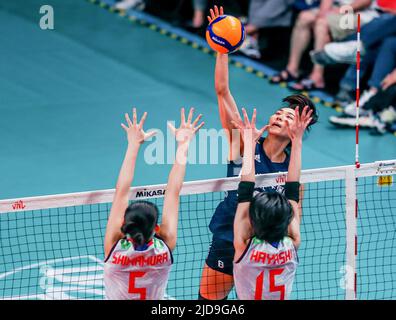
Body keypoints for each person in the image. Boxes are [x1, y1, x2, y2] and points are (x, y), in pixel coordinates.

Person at [198, 5, 318, 301]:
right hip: (229, 238)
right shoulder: (243, 144)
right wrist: (221, 48)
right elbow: (222, 92)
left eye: (288, 117)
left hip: (268, 248)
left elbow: (293, 207)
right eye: (278, 113)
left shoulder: (291, 167)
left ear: (296, 132)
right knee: (209, 304)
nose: (279, 116)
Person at [103, 107, 204, 300]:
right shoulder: (165, 247)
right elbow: (173, 191)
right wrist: (184, 143)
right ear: (156, 227)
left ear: (124, 224)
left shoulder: (114, 246)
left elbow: (121, 190)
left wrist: (133, 144)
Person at [232, 106, 312, 300]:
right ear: (286, 220)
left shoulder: (244, 245)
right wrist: (298, 141)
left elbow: (245, 190)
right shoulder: (292, 243)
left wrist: (249, 146)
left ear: (252, 220)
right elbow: (292, 191)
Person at [270, 0, 378, 91]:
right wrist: (324, 11)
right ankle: (292, 69)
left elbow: (366, 1)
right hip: (336, 8)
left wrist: (338, 11)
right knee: (305, 17)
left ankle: (317, 76)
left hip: (360, 15)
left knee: (322, 23)